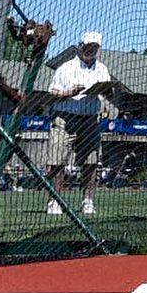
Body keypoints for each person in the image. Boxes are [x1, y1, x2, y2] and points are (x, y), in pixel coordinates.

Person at [47, 32, 121, 217]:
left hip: (90, 120)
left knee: (91, 162)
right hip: (65, 118)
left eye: (95, 47)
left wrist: (108, 90)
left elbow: (109, 95)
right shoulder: (66, 67)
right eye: (88, 46)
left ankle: (88, 201)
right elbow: (51, 93)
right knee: (57, 162)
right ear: (81, 45)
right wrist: (69, 92)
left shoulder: (102, 69)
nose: (91, 50)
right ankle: (55, 200)